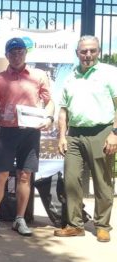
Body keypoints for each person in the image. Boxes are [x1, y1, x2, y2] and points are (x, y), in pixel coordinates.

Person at [0, 37, 54, 237]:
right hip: (7, 132)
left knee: (25, 175)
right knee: (1, 175)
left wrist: (49, 117)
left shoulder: (39, 75)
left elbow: (49, 102)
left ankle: (20, 219)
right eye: (12, 52)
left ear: (25, 53)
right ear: (6, 55)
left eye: (20, 51)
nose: (16, 55)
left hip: (30, 132)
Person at [54, 35, 116, 242]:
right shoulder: (70, 77)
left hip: (102, 132)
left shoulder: (110, 73)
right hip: (75, 134)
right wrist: (62, 136)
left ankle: (102, 225)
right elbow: (63, 110)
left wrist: (114, 134)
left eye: (92, 50)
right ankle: (75, 225)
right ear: (77, 53)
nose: (88, 54)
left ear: (98, 51)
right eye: (84, 51)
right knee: (71, 180)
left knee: (102, 181)